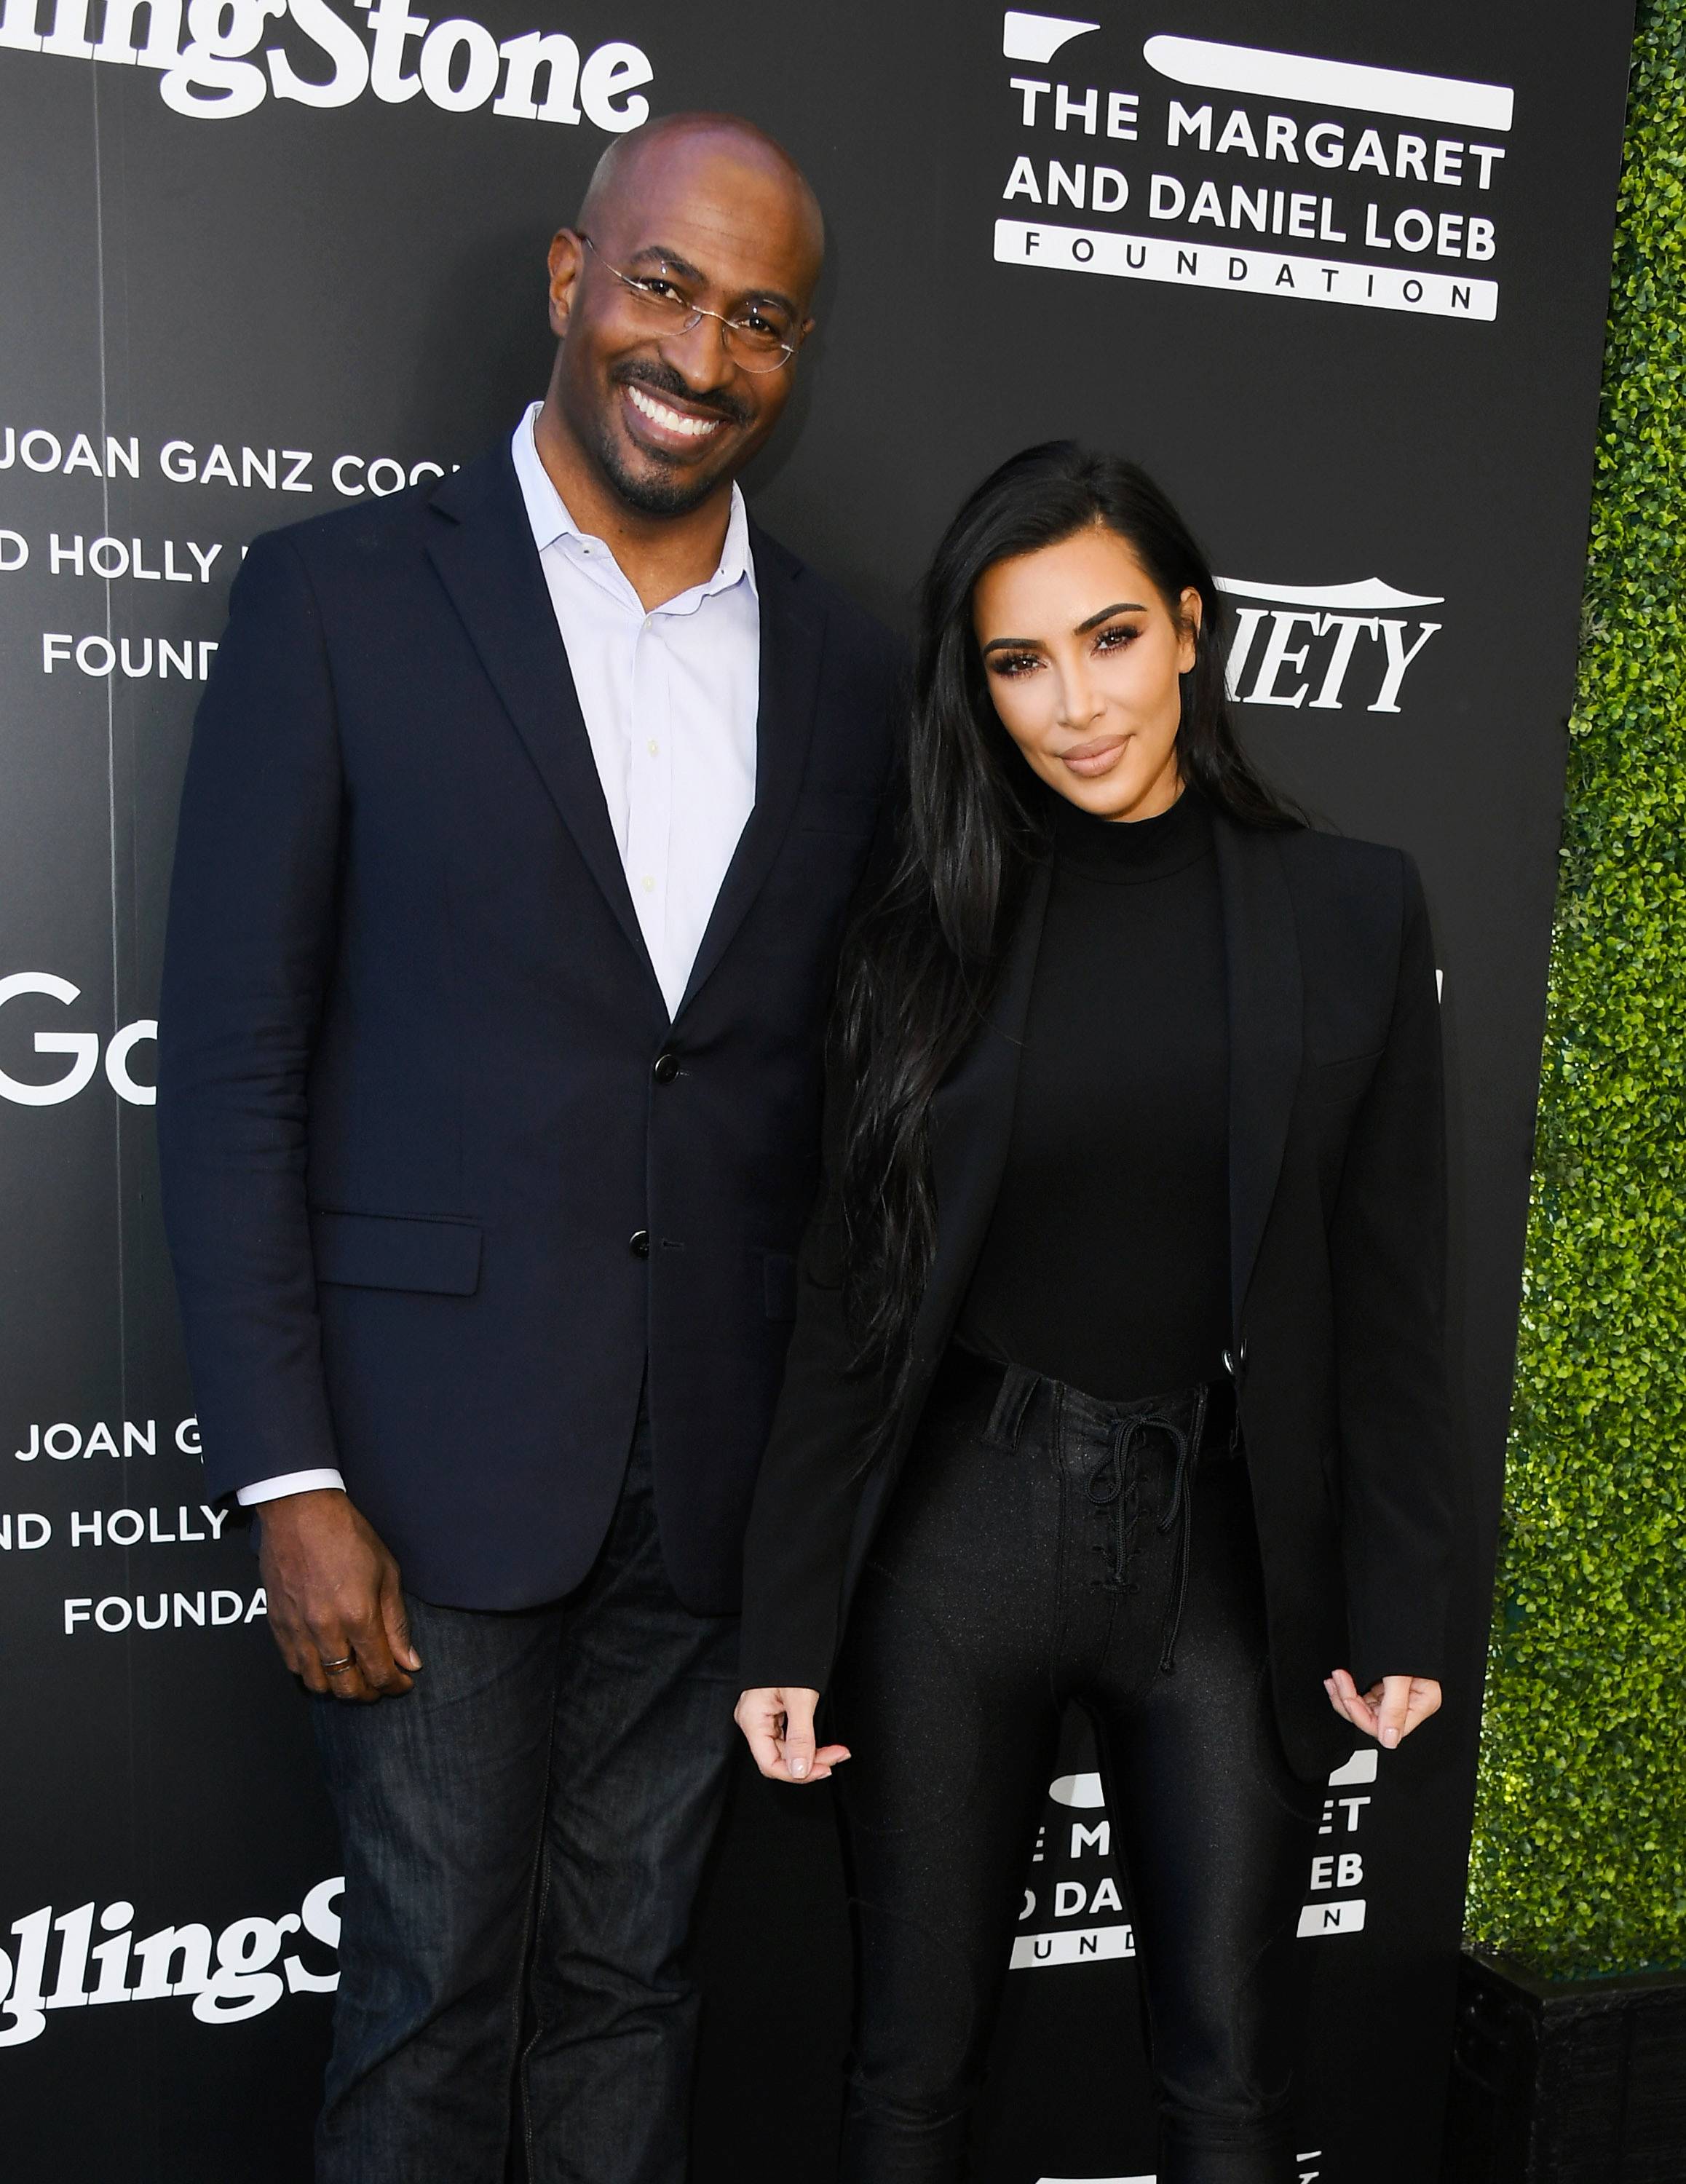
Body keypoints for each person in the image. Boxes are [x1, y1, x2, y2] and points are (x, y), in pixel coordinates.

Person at [157, 114, 901, 2183]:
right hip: (418, 1474)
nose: (700, 349)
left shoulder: (848, 668)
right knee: (427, 2003)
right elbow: (231, 1071)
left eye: (757, 318)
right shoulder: (334, 601)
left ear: (795, 352)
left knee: (633, 1991)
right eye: (664, 284)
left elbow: (830, 1089)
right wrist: (289, 1476)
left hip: (715, 1478)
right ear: (571, 280)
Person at [734, 442, 1455, 2183]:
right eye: (1019, 661)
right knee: (910, 2069)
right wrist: (786, 1620)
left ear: (1194, 631)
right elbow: (853, 1282)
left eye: (1113, 637)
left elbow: (1391, 1288)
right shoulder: (924, 919)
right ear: (975, 688)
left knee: (1231, 2072)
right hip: (956, 1540)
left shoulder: (1351, 910)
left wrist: (1402, 1595)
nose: (1075, 703)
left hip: (1216, 1544)